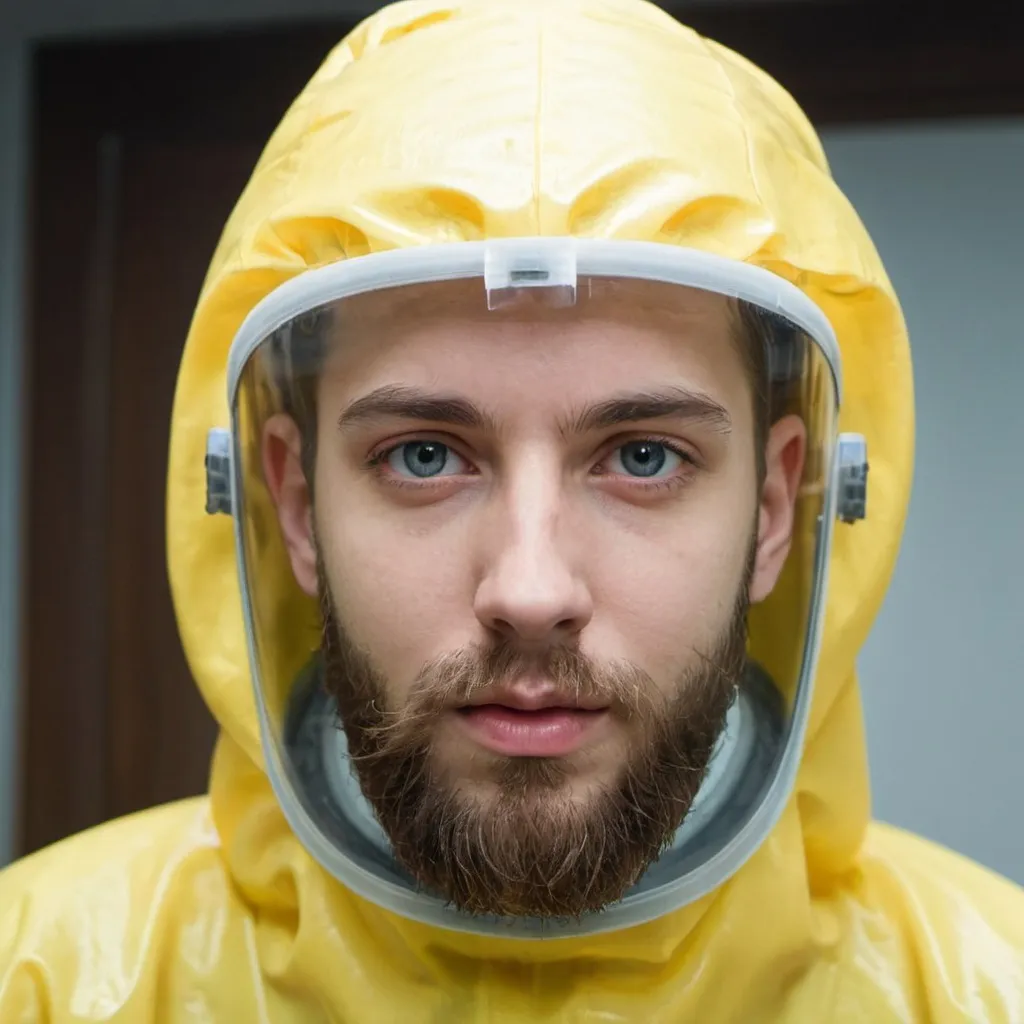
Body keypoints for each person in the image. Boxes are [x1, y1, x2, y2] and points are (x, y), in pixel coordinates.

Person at [2, 0, 1023, 1019]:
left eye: (642, 455)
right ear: (297, 504)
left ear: (769, 510)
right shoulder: (45, 978)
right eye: (424, 454)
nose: (530, 590)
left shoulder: (982, 989)